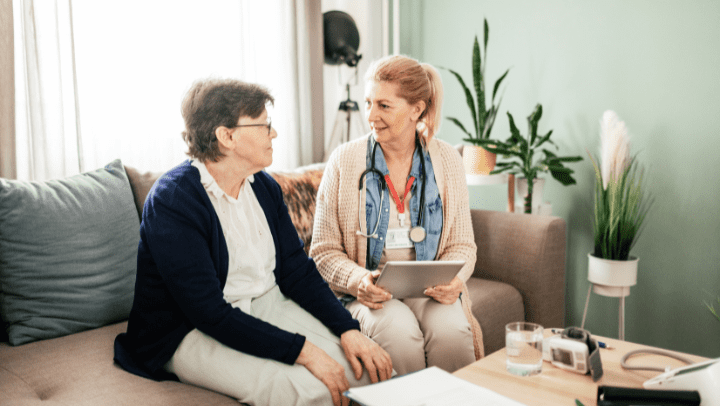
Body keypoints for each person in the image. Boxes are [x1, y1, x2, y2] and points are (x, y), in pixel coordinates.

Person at [114, 78, 392, 406]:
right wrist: (305, 352)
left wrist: (348, 330)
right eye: (264, 125)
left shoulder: (262, 186)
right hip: (188, 329)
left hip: (266, 302)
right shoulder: (174, 201)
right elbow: (208, 312)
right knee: (311, 391)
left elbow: (296, 272)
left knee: (364, 371)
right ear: (226, 136)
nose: (273, 133)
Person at [309, 55, 484, 376]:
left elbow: (463, 245)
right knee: (400, 334)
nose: (370, 116)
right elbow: (322, 251)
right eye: (368, 103)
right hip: (370, 294)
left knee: (453, 333)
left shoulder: (447, 160)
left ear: (417, 109)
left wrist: (455, 281)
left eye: (384, 106)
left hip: (428, 290)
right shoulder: (344, 161)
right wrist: (358, 280)